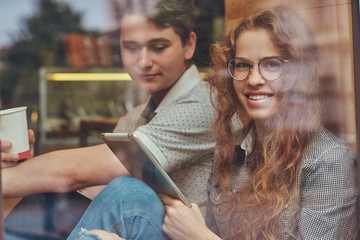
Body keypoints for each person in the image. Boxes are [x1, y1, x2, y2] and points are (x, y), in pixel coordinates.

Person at [68, 6, 359, 240]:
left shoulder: (330, 161)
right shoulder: (231, 152)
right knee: (128, 195)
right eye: (243, 65)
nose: (254, 79)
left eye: (272, 64)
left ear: (298, 73)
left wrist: (198, 236)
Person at [2, 0, 240, 238]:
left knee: (130, 194)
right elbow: (95, 193)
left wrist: (14, 178)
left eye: (158, 47)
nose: (143, 61)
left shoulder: (206, 105)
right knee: (43, 199)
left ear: (189, 45)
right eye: (131, 47)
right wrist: (25, 172)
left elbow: (78, 171)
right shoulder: (134, 118)